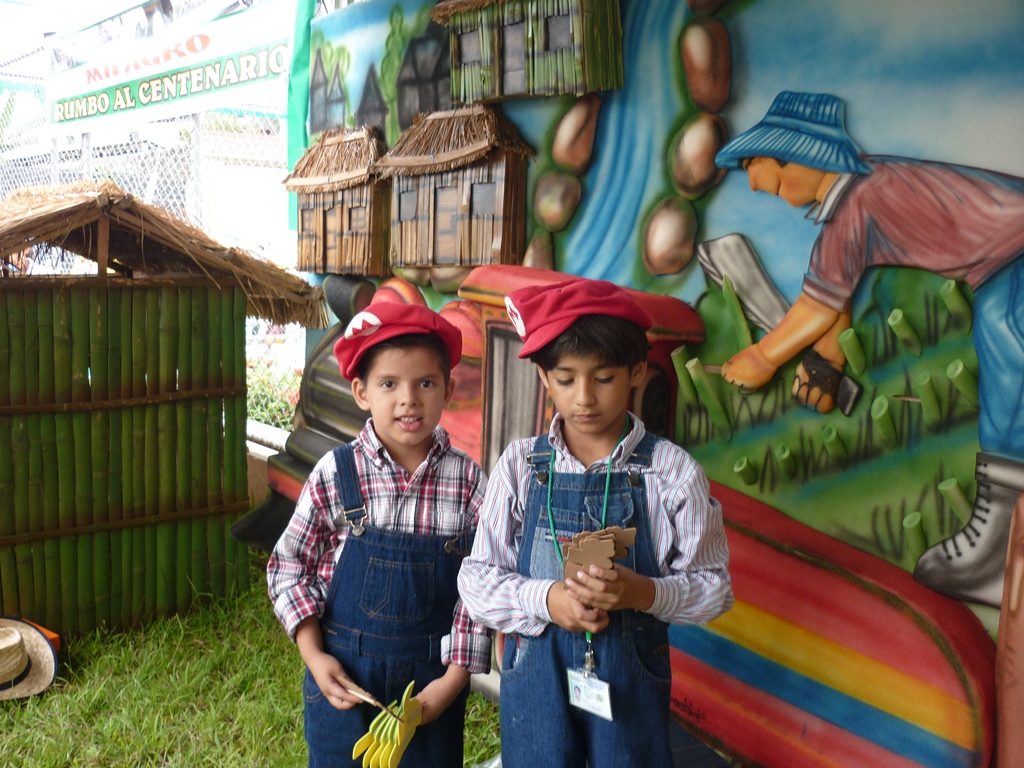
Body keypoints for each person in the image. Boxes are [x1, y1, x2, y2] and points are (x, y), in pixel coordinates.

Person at [713, 90, 1024, 608]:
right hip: (1004, 255)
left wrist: (763, 357)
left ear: (795, 155)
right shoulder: (859, 199)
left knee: (1008, 354)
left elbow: (817, 306)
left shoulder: (860, 200)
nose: (753, 183)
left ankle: (998, 549)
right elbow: (837, 292)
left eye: (754, 165)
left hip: (1015, 248)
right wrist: (826, 365)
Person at [459, 278, 733, 768]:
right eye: (566, 380)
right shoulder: (521, 467)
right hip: (536, 681)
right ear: (544, 378)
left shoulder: (671, 474)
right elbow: (476, 581)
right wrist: (547, 600)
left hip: (629, 686)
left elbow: (714, 590)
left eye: (603, 378)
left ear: (636, 371)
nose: (584, 398)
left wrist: (644, 593)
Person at [267, 302, 489, 768]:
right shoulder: (335, 473)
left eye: (425, 383)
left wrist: (452, 682)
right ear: (361, 392)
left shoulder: (469, 482)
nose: (408, 399)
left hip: (432, 688)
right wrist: (314, 655)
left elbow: (480, 588)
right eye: (389, 384)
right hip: (345, 683)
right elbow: (289, 567)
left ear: (448, 390)